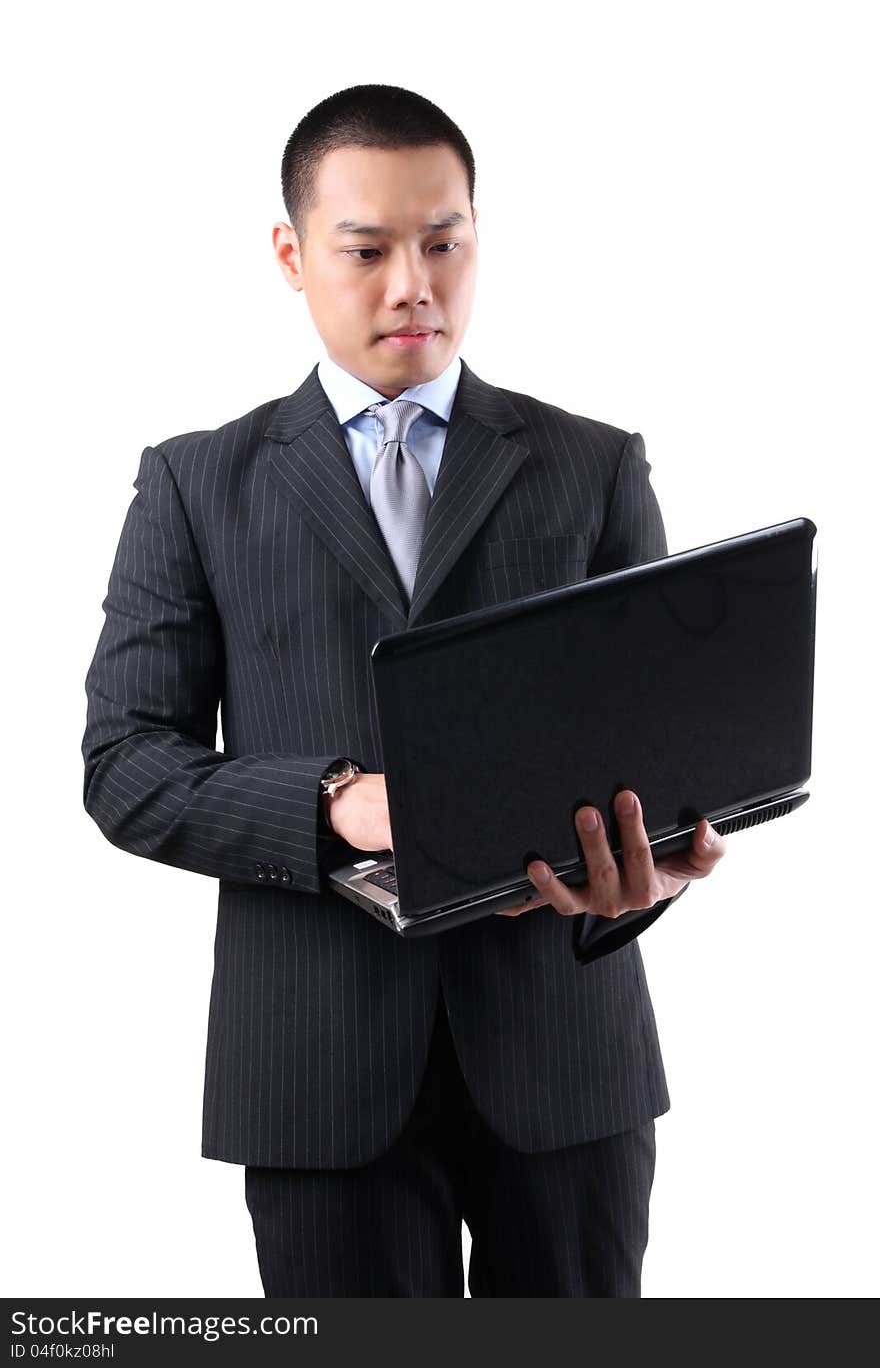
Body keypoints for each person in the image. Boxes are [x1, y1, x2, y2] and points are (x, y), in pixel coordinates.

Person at [81, 83, 726, 1298]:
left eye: (444, 242)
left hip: (564, 1052)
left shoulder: (589, 466)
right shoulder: (195, 484)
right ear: (291, 253)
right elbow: (124, 766)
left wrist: (657, 861)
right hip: (316, 1066)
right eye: (367, 249)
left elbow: (653, 741)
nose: (412, 284)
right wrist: (335, 803)